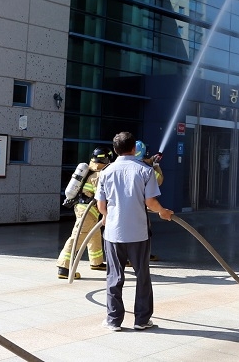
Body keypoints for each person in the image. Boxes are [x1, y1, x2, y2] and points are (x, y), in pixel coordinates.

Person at [95, 132, 173, 332]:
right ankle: (141, 320)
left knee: (114, 276)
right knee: (142, 276)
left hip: (113, 233)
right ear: (133, 149)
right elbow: (151, 202)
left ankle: (113, 320)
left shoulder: (106, 172)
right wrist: (163, 212)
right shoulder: (145, 171)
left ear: (115, 150)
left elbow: (101, 205)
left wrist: (107, 217)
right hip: (138, 233)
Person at [56, 147, 113, 279]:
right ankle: (63, 267)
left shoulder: (91, 170)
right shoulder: (99, 175)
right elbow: (102, 195)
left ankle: (96, 262)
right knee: (78, 236)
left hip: (84, 208)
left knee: (94, 234)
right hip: (88, 210)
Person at [135, 140, 163, 262]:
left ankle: (137, 256)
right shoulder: (146, 169)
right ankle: (140, 256)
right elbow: (159, 180)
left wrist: (153, 159)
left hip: (126, 208)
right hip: (140, 208)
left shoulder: (122, 165)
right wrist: (156, 166)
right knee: (142, 232)